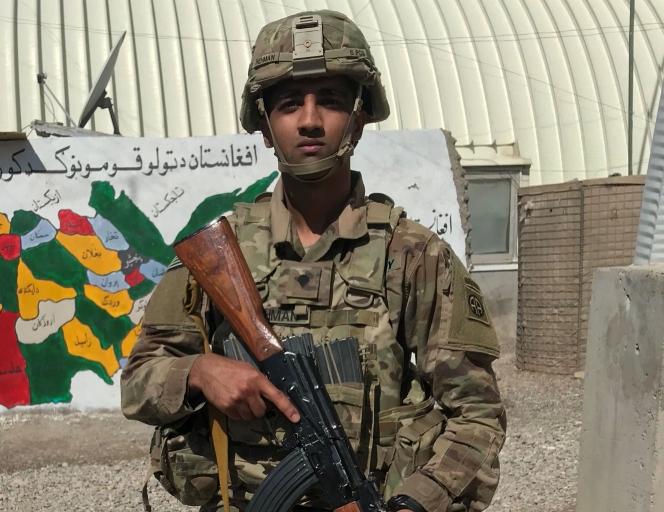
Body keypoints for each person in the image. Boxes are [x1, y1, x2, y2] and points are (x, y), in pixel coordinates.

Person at [121, 10, 506, 512]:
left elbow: (476, 414)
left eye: (329, 101)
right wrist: (199, 372)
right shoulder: (220, 254)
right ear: (263, 125)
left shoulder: (412, 255)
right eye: (288, 104)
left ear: (360, 118)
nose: (308, 119)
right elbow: (138, 382)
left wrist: (414, 504)